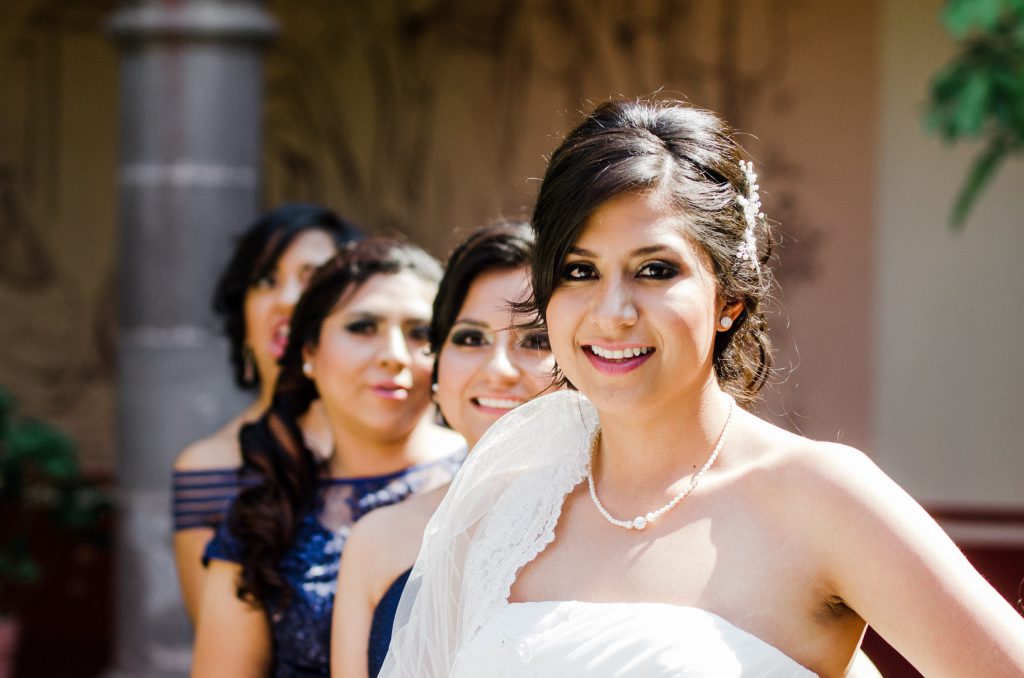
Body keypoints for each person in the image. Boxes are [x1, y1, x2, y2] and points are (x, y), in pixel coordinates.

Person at [381, 100, 1024, 677]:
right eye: (579, 270)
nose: (612, 312)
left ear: (729, 298)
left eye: (655, 270)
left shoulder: (820, 497)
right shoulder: (505, 503)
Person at [191, 239, 465, 677]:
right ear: (309, 353)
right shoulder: (265, 515)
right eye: (362, 327)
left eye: (420, 334)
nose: (394, 355)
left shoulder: (491, 480)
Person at [330, 222, 557, 678]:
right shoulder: (376, 541)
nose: (498, 369)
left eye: (535, 340)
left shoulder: (622, 524)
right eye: (470, 339)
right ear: (436, 365)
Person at [173, 203, 362, 623]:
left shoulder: (407, 447)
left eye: (312, 279)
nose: (288, 300)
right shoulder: (206, 468)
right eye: (265, 281)